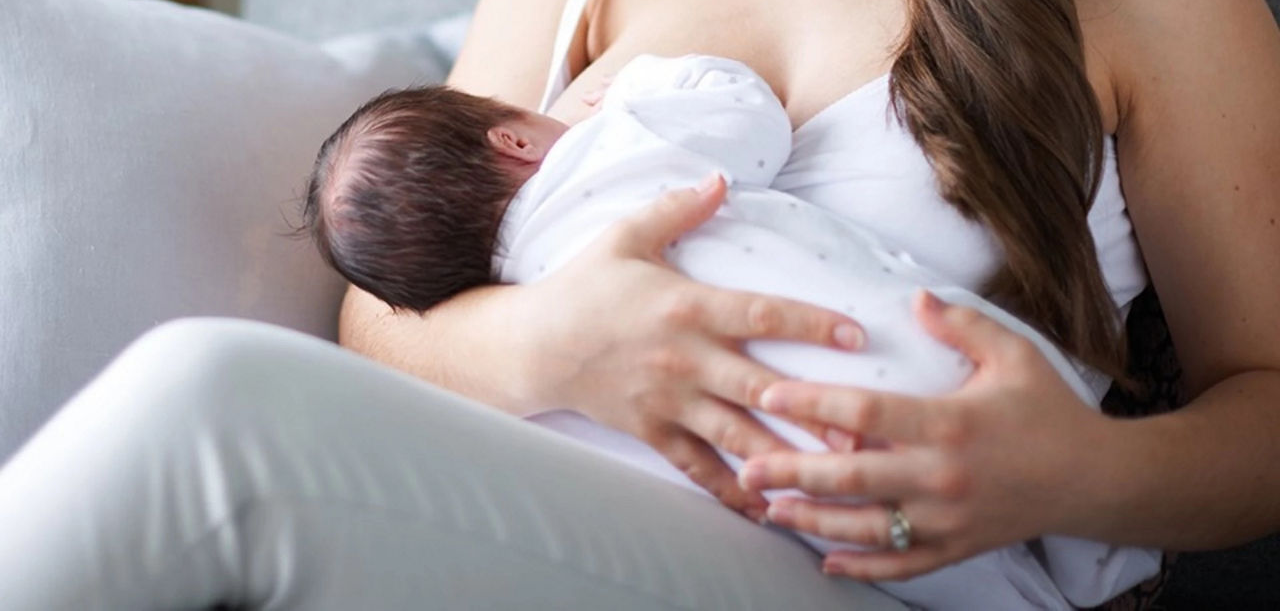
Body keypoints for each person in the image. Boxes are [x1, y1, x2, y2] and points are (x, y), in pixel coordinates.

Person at [0, 0, 1275, 609]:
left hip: (893, 577)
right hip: (565, 522)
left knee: (211, 413)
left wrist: (1075, 475)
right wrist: (553, 344)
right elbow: (380, 319)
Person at [303, 52, 1160, 605]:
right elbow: (750, 118)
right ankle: (1103, 566)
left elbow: (393, 307)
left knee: (942, 567)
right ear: (513, 140)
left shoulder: (524, 267)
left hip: (781, 484)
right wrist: (636, 90)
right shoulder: (618, 141)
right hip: (894, 350)